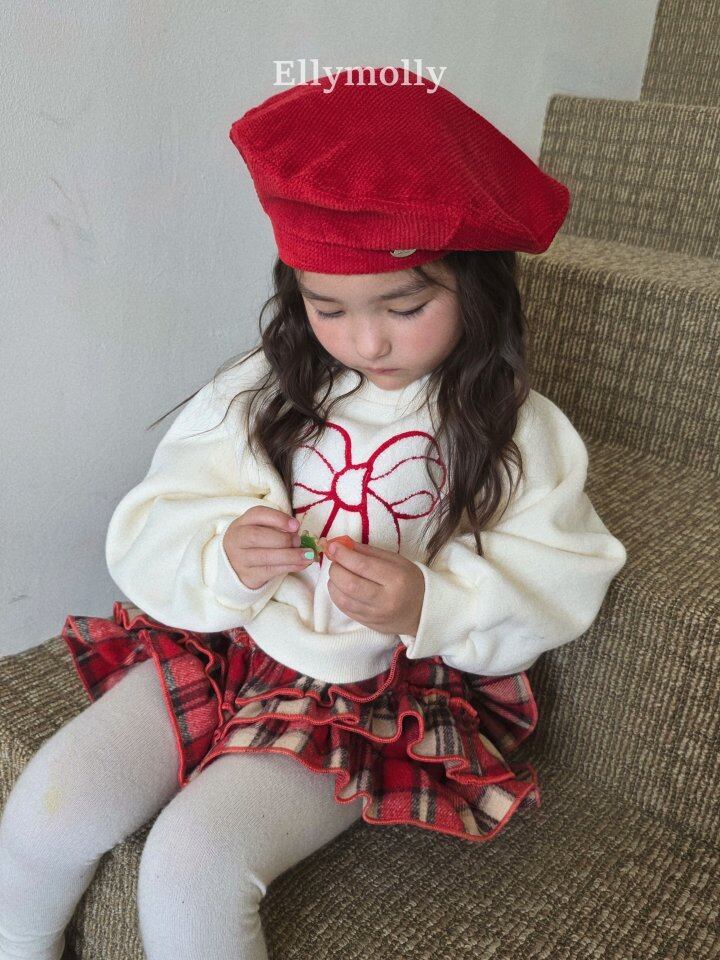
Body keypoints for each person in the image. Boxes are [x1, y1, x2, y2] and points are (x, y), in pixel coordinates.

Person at [0, 66, 628, 960]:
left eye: (406, 306)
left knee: (192, 864)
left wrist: (426, 602)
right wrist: (223, 553)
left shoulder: (516, 430)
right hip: (225, 643)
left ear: (477, 285)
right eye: (327, 308)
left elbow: (563, 571)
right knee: (51, 802)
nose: (366, 341)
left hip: (366, 693)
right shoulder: (262, 389)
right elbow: (161, 512)